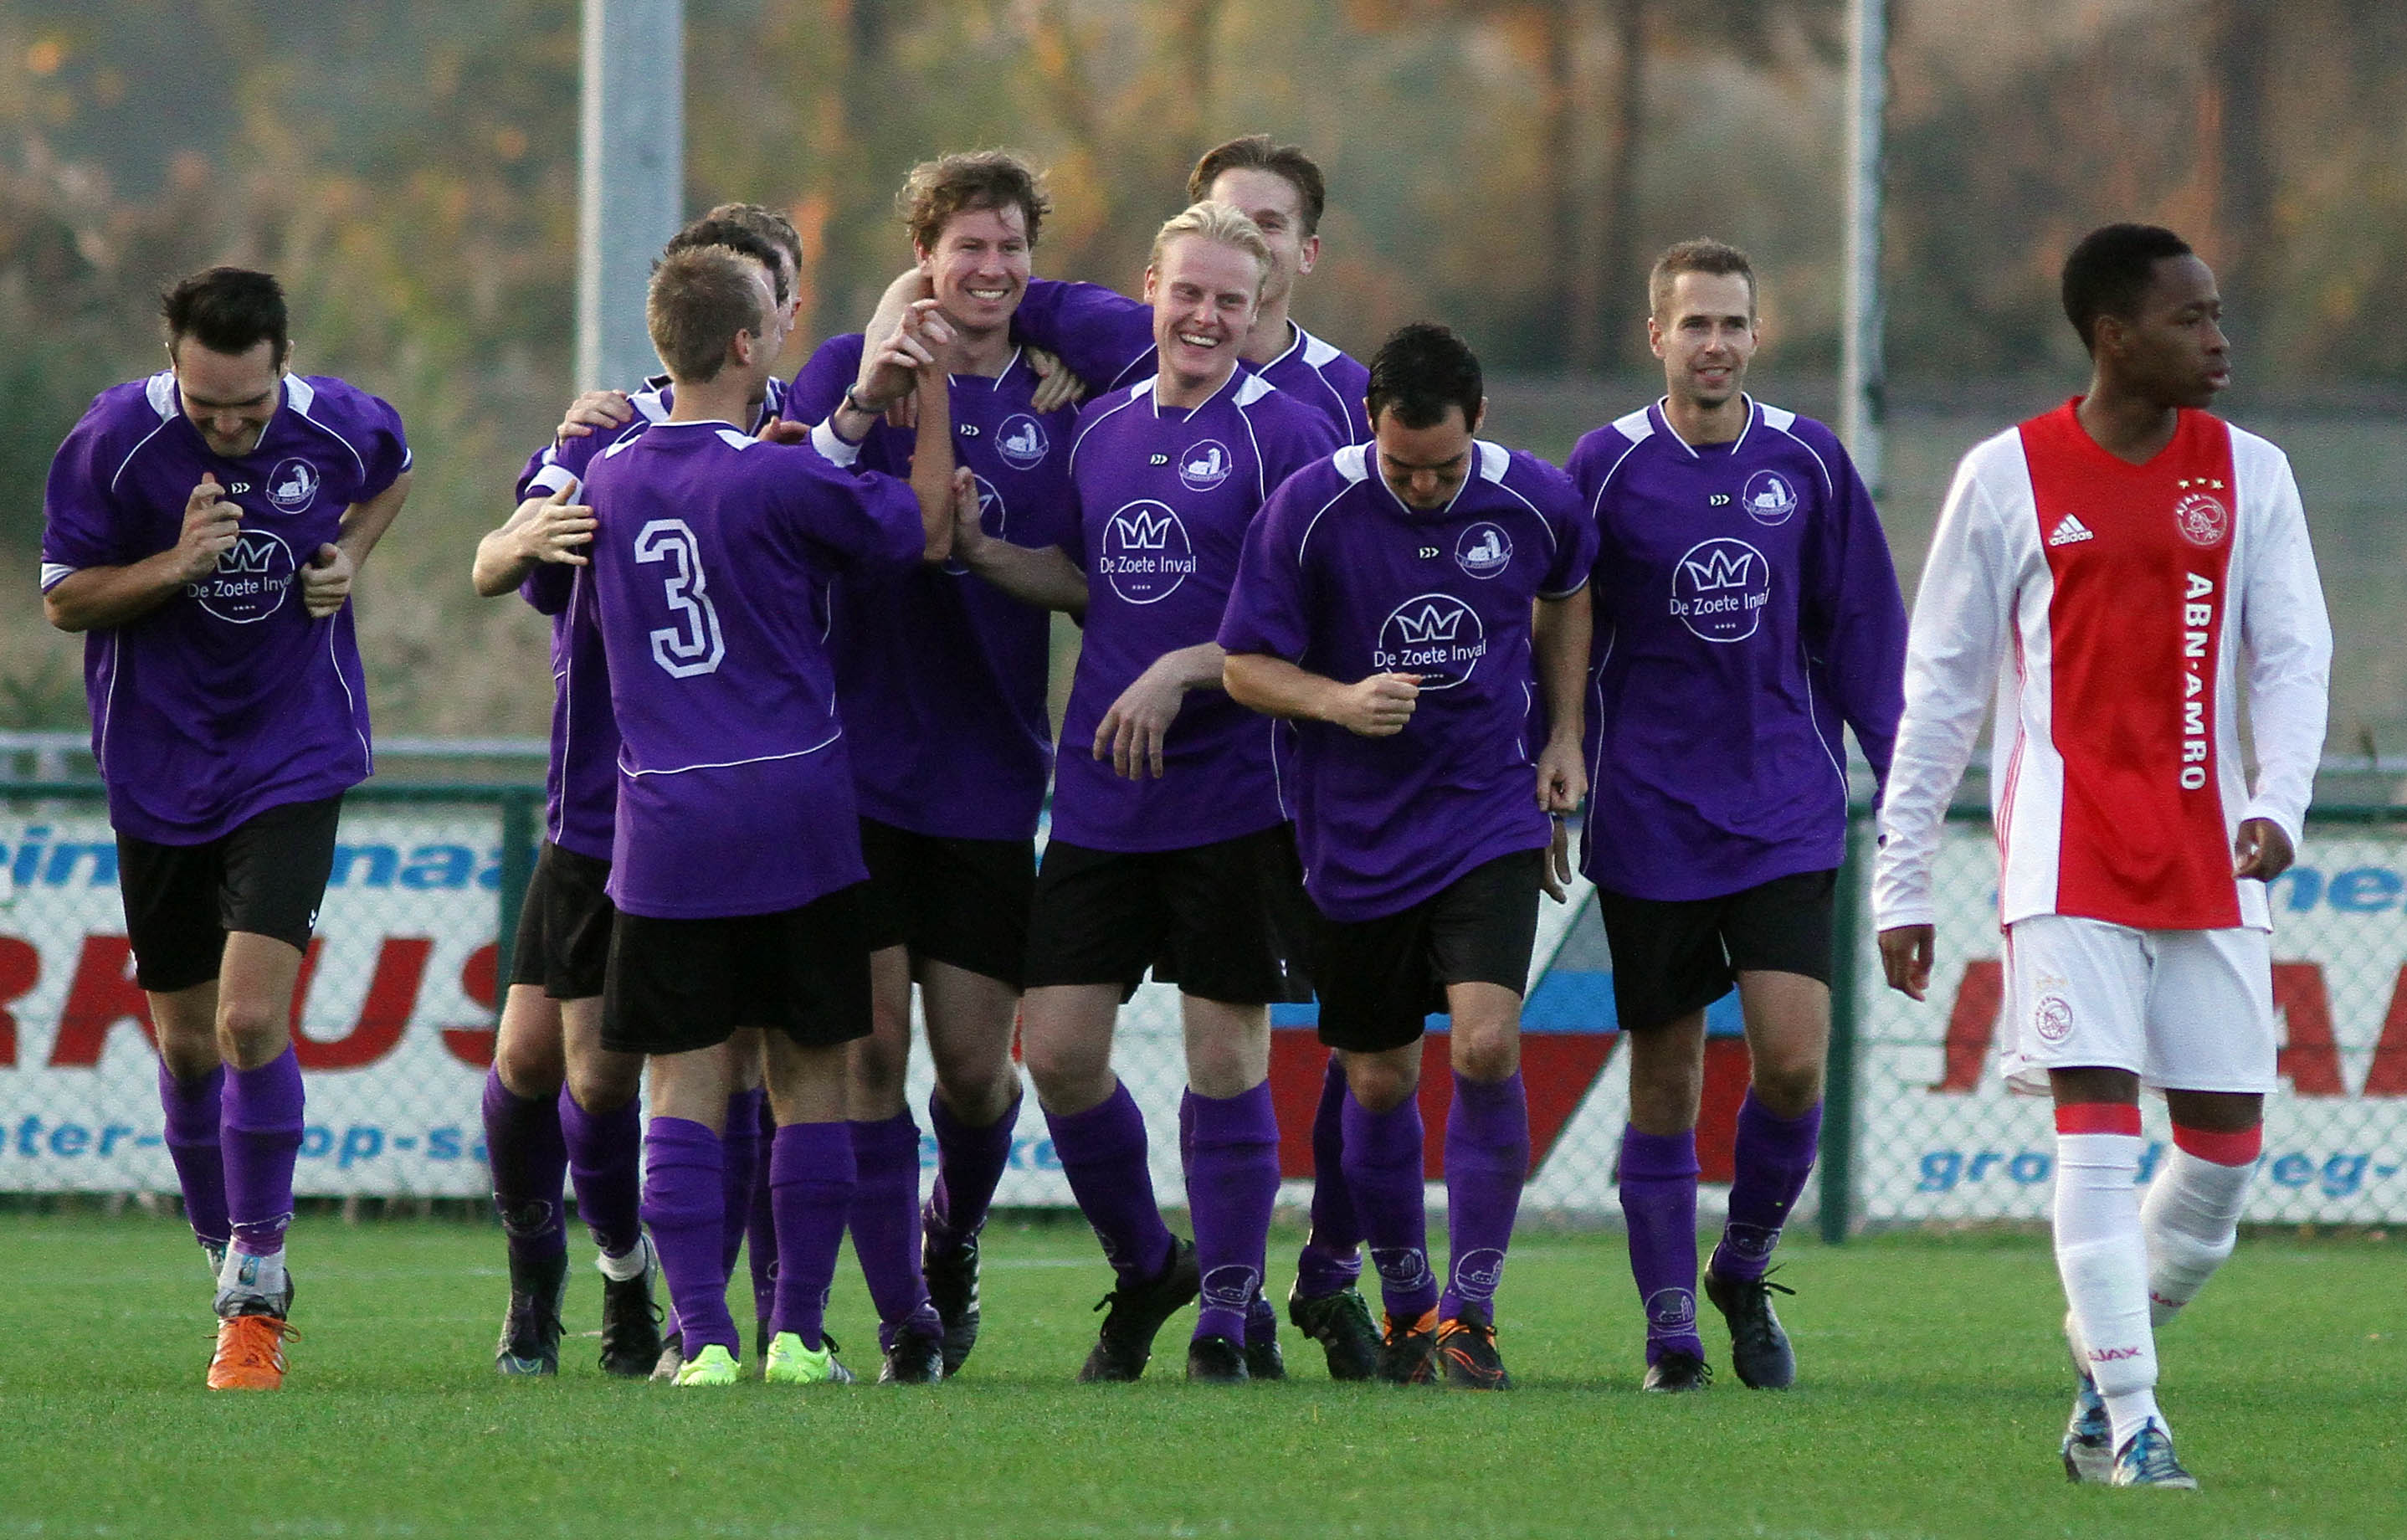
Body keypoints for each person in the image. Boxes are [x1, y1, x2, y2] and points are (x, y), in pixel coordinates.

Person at [1873, 223, 2330, 1487]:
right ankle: (2134, 1424)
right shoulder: (2009, 476)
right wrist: (1903, 876)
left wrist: (2279, 806)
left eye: (2220, 314)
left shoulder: (2255, 476)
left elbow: (2295, 660)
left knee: (2228, 1157)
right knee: (2095, 1131)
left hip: (2212, 859)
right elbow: (1942, 690)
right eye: (2192, 319)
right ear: (2114, 336)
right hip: (2064, 864)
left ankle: (2099, 1353)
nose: (2220, 339)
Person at [951, 202, 1340, 1382]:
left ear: (1262, 302)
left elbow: (1315, 618)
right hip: (1102, 797)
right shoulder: (1102, 426)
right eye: (1189, 293)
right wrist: (979, 549)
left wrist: (1186, 670)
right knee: (1061, 1053)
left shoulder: (1292, 432)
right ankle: (1147, 1264)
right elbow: (1082, 577)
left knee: (1225, 1061)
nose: (1207, 316)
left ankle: (1232, 1309)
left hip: (1235, 793)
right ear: (1152, 290)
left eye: (1232, 297)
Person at [579, 244, 958, 1388]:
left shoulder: (609, 479)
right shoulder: (785, 477)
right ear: (749, 345)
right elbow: (919, 530)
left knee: (683, 1085)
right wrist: (926, 409)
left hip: (668, 830)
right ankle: (796, 1337)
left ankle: (702, 1341)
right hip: (793, 812)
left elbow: (550, 579)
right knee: (811, 1077)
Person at [40, 266, 413, 1389]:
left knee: (252, 1020)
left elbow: (393, 474)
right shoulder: (112, 442)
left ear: (282, 365)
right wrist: (175, 566)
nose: (233, 427)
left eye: (250, 407)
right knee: (189, 1044)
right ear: (175, 368)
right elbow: (63, 596)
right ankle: (224, 1252)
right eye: (209, 409)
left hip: (293, 749)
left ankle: (257, 1279)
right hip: (157, 765)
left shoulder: (338, 423)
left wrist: (350, 557)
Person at [1220, 322, 1596, 1388]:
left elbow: (1567, 590)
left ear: (1477, 423)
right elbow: (1246, 665)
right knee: (1377, 1080)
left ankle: (1471, 1314)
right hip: (1353, 829)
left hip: (1486, 809)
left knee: (1484, 1046)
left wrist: (1563, 736)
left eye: (1438, 469)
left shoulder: (1532, 499)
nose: (1420, 488)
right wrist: (1336, 700)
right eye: (1399, 467)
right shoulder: (1310, 509)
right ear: (1370, 432)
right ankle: (1405, 1306)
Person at [1566, 239, 1906, 1392]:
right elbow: (1557, 627)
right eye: (1693, 323)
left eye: (1733, 324)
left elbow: (1864, 631)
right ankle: (1669, 1334)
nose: (1714, 343)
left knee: (1794, 1064)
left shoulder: (1808, 461)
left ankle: (1743, 1269)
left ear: (1758, 337)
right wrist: (1549, 755)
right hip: (1649, 814)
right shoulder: (1604, 468)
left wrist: (1900, 774)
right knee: (1664, 1079)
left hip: (1784, 805)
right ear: (1654, 337)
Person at [470, 213, 800, 1378]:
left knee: (728, 1067)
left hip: (745, 809)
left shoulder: (803, 441)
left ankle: (724, 1313)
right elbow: (506, 552)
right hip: (604, 814)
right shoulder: (610, 434)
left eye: (780, 293)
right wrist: (521, 542)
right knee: (548, 1070)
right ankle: (581, 1272)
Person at [785, 151, 1080, 1382]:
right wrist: (860, 401)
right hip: (854, 776)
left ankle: (949, 1237)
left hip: (988, 775)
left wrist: (982, 548)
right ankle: (907, 1314)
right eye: (969, 246)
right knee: (868, 1057)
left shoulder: (1069, 398)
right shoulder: (850, 370)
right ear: (923, 255)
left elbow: (1089, 583)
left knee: (971, 1073)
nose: (993, 268)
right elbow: (785, 507)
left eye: (1011, 246)